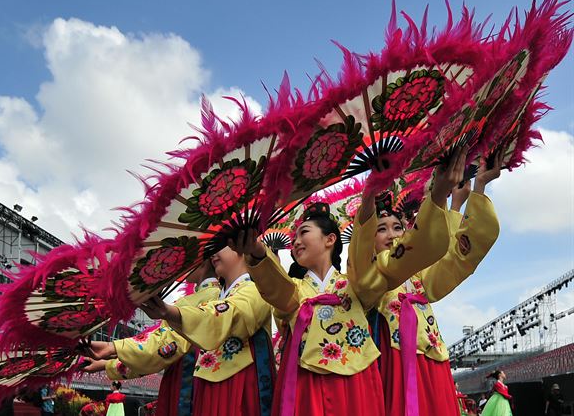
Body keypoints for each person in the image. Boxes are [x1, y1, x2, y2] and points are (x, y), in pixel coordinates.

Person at [231, 150, 461, 416]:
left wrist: (370, 198)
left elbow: (366, 267)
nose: (295, 242)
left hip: (356, 385)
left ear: (330, 239)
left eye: (303, 232)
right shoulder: (296, 290)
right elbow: (277, 290)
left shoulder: (355, 285)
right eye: (294, 237)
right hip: (305, 383)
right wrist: (258, 253)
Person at [359, 147, 502, 416]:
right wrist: (437, 197)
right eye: (381, 228)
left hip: (432, 363)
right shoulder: (369, 274)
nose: (391, 234)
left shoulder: (418, 278)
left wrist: (478, 188)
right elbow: (418, 247)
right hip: (393, 367)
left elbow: (455, 256)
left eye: (397, 227)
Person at [141, 245, 274, 416]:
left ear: (242, 245)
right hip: (207, 383)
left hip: (239, 383)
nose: (213, 254)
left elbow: (225, 315)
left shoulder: (256, 290)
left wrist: (171, 312)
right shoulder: (219, 297)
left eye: (223, 244)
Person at [81, 261, 220, 416]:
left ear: (205, 262)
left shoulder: (208, 297)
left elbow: (163, 348)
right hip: (186, 380)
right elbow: (154, 354)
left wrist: (111, 349)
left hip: (188, 385)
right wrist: (107, 363)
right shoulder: (205, 296)